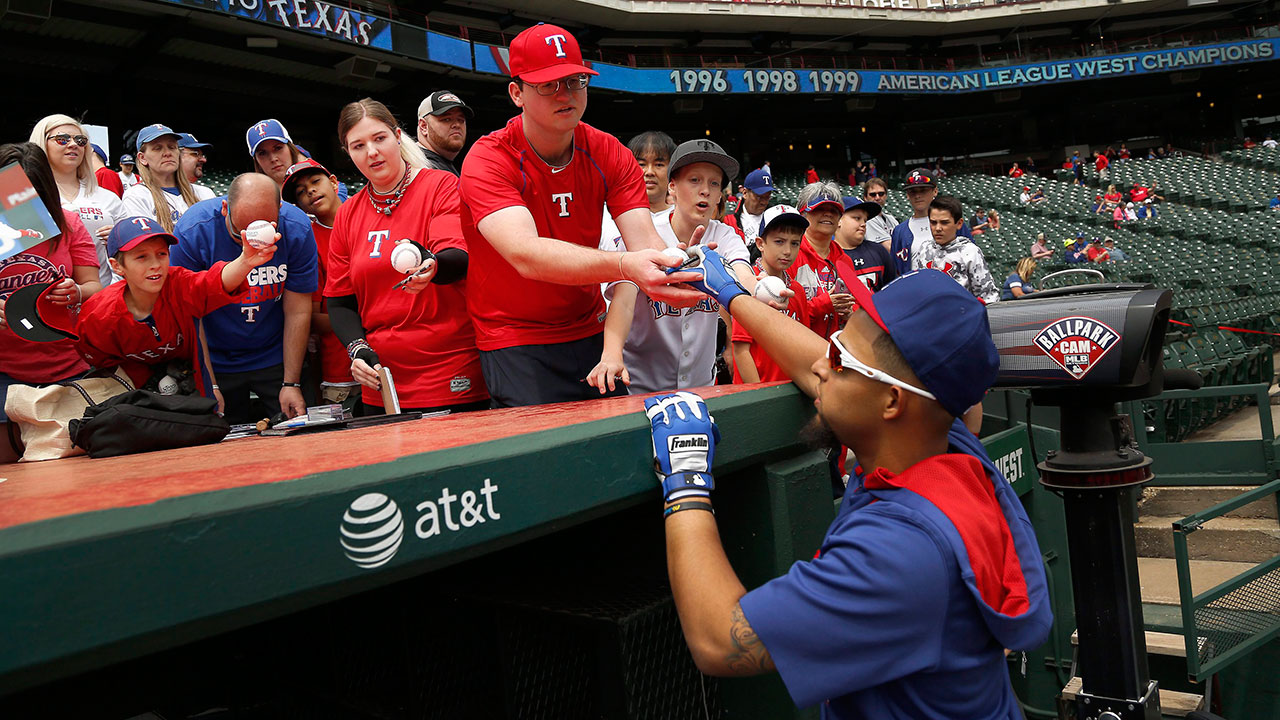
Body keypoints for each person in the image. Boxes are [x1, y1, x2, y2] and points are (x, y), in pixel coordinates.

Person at [648, 260, 1051, 718]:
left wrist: (685, 482)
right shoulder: (944, 442)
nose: (822, 364)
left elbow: (720, 639)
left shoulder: (901, 554)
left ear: (892, 402)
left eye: (841, 360)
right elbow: (820, 364)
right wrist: (730, 293)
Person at [457, 22, 704, 408]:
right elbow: (525, 254)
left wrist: (676, 265)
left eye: (574, 81)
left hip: (588, 326)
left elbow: (645, 243)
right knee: (546, 455)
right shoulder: (488, 158)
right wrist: (628, 265)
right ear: (516, 93)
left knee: (616, 444)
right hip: (515, 335)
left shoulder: (609, 152)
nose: (565, 93)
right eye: (548, 84)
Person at [325, 98, 488, 415]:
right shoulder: (347, 215)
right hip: (382, 380)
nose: (371, 152)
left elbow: (459, 257)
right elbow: (340, 300)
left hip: (450, 369)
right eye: (358, 145)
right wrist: (358, 350)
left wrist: (434, 265)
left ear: (398, 137)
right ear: (348, 153)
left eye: (380, 138)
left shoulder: (440, 185)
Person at [589, 139, 755, 396]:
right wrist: (611, 354)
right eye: (695, 180)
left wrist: (762, 290)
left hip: (701, 387)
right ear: (673, 187)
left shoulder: (726, 236)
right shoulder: (640, 231)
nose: (705, 191)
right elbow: (623, 299)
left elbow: (744, 277)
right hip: (639, 386)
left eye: (714, 183)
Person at [74, 216, 277, 401]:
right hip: (132, 399)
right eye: (141, 257)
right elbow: (102, 365)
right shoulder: (96, 316)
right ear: (117, 266)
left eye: (161, 253)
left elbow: (215, 282)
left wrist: (245, 261)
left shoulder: (178, 283)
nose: (155, 264)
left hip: (192, 391)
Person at [170, 173, 317, 423]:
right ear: (225, 208)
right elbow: (192, 314)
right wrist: (210, 385)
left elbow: (298, 309)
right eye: (241, 234)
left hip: (275, 354)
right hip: (216, 359)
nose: (252, 245)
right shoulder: (193, 230)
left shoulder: (296, 227)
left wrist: (290, 381)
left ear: (279, 210)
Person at [0, 142, 102, 463]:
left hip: (69, 369)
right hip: (6, 373)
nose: (22, 208)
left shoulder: (69, 224)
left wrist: (76, 291)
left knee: (73, 466)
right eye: (15, 198)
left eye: (32, 198)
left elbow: (94, 287)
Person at [281, 158, 360, 413]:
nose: (310, 191)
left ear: (334, 182)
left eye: (315, 182)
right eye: (301, 192)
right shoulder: (307, 240)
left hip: (394, 355)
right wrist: (368, 318)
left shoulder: (370, 216)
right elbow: (311, 318)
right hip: (341, 369)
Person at [29, 114, 126, 289]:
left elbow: (132, 249)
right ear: (41, 144)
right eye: (62, 139)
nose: (73, 144)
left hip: (101, 298)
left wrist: (119, 237)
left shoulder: (107, 197)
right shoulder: (23, 196)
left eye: (80, 140)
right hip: (41, 300)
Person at [732, 206, 810, 384]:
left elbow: (803, 343)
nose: (788, 251)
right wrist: (759, 395)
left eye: (794, 243)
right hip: (755, 390)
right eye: (779, 242)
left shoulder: (796, 290)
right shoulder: (750, 284)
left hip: (789, 387)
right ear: (760, 244)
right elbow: (741, 350)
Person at [794, 182, 859, 338]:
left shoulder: (844, 260)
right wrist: (824, 304)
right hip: (797, 348)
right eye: (819, 209)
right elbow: (783, 315)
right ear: (803, 214)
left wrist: (850, 313)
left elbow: (856, 304)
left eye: (834, 210)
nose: (828, 214)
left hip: (836, 349)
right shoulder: (790, 255)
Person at [912, 195, 999, 305]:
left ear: (959, 224)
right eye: (933, 222)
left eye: (944, 222)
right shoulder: (924, 249)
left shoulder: (969, 251)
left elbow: (989, 297)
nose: (938, 228)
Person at [887, 167, 971, 275]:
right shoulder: (899, 231)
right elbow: (896, 270)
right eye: (913, 192)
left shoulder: (951, 222)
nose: (918, 196)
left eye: (923, 190)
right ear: (907, 195)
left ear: (935, 191)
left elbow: (970, 258)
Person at [121, 123, 201, 232]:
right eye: (158, 148)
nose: (167, 153)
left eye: (172, 147)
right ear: (142, 158)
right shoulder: (136, 196)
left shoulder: (204, 193)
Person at [834, 197, 895, 293]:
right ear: (838, 220)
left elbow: (892, 290)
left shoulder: (879, 251)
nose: (863, 224)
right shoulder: (827, 255)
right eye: (857, 218)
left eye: (865, 220)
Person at [416, 90, 472, 176]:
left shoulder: (439, 164)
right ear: (423, 126)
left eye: (461, 120)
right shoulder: (421, 166)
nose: (457, 125)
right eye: (446, 119)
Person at [247, 118, 306, 189]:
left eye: (278, 148)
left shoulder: (316, 182)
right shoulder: (250, 197)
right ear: (256, 160)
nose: (273, 159)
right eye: (262, 153)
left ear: (291, 148)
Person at [734, 168, 774, 244]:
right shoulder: (730, 219)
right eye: (759, 197)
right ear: (745, 193)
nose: (764, 202)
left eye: (767, 197)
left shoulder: (775, 217)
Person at [177, 133, 217, 202]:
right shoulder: (153, 195)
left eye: (203, 155)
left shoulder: (206, 194)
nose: (204, 160)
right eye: (196, 154)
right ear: (175, 156)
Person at [860, 177, 897, 246]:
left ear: (886, 196)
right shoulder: (867, 220)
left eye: (881, 194)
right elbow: (888, 247)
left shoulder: (891, 219)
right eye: (873, 194)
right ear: (865, 197)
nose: (877, 198)